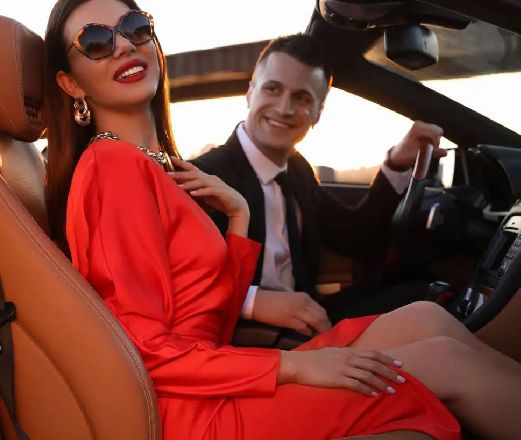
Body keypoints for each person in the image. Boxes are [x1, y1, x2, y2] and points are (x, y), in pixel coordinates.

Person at [43, 1, 521, 440]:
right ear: (70, 82)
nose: (122, 46)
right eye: (95, 42)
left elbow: (202, 321)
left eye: (134, 27)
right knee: (441, 360)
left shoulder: (159, 167)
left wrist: (239, 219)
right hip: (196, 425)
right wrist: (295, 366)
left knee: (424, 317)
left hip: (215, 382)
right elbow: (144, 349)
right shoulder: (113, 168)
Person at [191, 34, 446, 336]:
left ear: (317, 113)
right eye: (273, 89)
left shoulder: (297, 170)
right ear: (250, 92)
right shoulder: (204, 176)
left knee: (424, 294)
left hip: (307, 321)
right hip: (244, 336)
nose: (284, 108)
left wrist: (396, 163)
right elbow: (176, 281)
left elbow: (356, 237)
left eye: (301, 98)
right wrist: (253, 301)